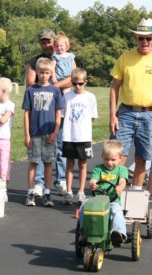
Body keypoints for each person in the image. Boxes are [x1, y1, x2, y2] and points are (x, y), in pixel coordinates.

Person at [109, 18, 152, 191]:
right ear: (135, 38)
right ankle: (114, 193)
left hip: (150, 114)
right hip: (126, 112)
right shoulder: (125, 57)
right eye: (141, 38)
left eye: (148, 38)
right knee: (117, 155)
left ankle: (136, 195)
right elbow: (114, 87)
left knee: (142, 158)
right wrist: (112, 115)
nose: (145, 42)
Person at [25, 29, 72, 198]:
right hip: (39, 111)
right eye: (43, 42)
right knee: (38, 150)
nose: (47, 45)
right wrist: (50, 86)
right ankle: (38, 183)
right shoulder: (34, 61)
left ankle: (60, 181)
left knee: (59, 146)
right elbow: (30, 83)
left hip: (58, 107)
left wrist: (53, 87)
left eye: (49, 41)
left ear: (55, 42)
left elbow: (72, 78)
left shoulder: (64, 57)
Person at [22, 57, 63, 208]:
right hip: (34, 133)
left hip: (49, 133)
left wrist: (55, 132)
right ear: (37, 72)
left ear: (51, 73)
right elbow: (26, 113)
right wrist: (27, 134)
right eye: (41, 72)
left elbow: (59, 112)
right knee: (33, 162)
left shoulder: (55, 90)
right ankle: (31, 192)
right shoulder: (31, 90)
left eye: (47, 73)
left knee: (48, 163)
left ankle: (47, 193)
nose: (44, 75)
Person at [61, 68, 97, 205]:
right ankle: (69, 192)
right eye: (75, 83)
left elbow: (93, 116)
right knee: (69, 163)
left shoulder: (90, 97)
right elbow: (63, 114)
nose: (77, 86)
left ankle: (81, 192)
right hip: (69, 136)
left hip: (84, 136)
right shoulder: (67, 96)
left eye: (80, 83)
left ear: (85, 82)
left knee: (82, 163)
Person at [84, 140, 128, 244]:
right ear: (102, 157)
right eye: (107, 159)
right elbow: (93, 180)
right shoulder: (98, 169)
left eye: (113, 160)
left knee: (116, 211)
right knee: (84, 208)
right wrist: (92, 184)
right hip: (97, 200)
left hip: (113, 200)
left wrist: (120, 187)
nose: (109, 162)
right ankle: (84, 232)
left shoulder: (121, 170)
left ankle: (118, 232)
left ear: (120, 159)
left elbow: (122, 181)